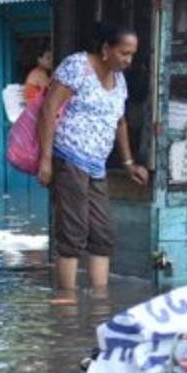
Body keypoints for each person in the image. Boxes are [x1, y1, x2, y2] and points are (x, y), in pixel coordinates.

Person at [36, 23, 149, 290]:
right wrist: (46, 159)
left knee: (102, 234)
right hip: (69, 158)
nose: (128, 60)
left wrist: (129, 163)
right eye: (124, 53)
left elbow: (119, 121)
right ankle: (67, 304)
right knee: (72, 233)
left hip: (96, 166)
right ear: (106, 49)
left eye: (132, 54)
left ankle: (99, 301)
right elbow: (48, 108)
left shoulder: (119, 79)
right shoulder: (78, 66)